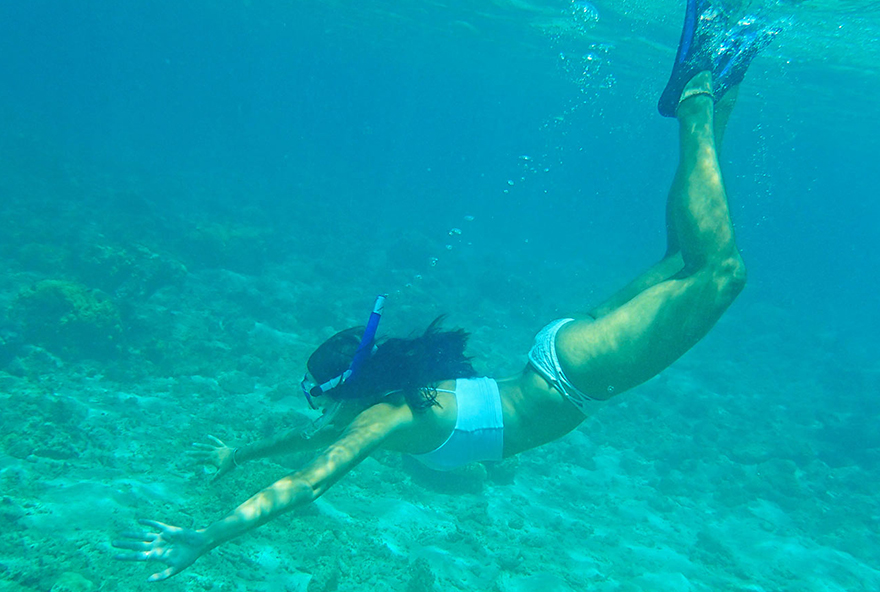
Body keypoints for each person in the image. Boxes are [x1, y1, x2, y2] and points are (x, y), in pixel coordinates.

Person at [113, 0, 780, 581]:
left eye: (320, 393)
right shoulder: (373, 406)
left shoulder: (379, 419)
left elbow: (308, 483)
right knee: (683, 258)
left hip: (575, 378)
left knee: (721, 275)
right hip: (558, 355)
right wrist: (237, 453)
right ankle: (721, 85)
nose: (320, 408)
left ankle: (697, 91)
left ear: (347, 387)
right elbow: (306, 441)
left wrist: (206, 538)